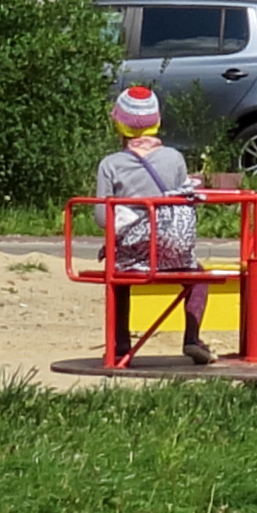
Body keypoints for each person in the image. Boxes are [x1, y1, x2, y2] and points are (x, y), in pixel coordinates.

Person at [96, 82, 211, 364]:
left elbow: (102, 217)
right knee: (200, 277)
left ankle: (121, 344)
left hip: (132, 257)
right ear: (157, 122)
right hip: (173, 256)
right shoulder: (174, 159)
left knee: (118, 281)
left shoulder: (110, 165)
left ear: (119, 126)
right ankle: (192, 338)